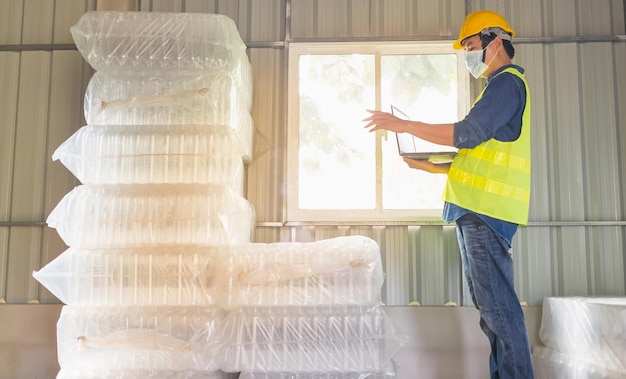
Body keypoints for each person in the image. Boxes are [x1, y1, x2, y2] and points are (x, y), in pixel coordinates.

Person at [363, 10, 534, 379]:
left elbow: (466, 134)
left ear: (496, 42)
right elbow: (475, 157)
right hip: (476, 213)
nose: (469, 55)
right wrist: (428, 166)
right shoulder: (496, 89)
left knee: (500, 312)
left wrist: (403, 124)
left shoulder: (507, 84)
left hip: (485, 214)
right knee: (493, 314)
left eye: (472, 47)